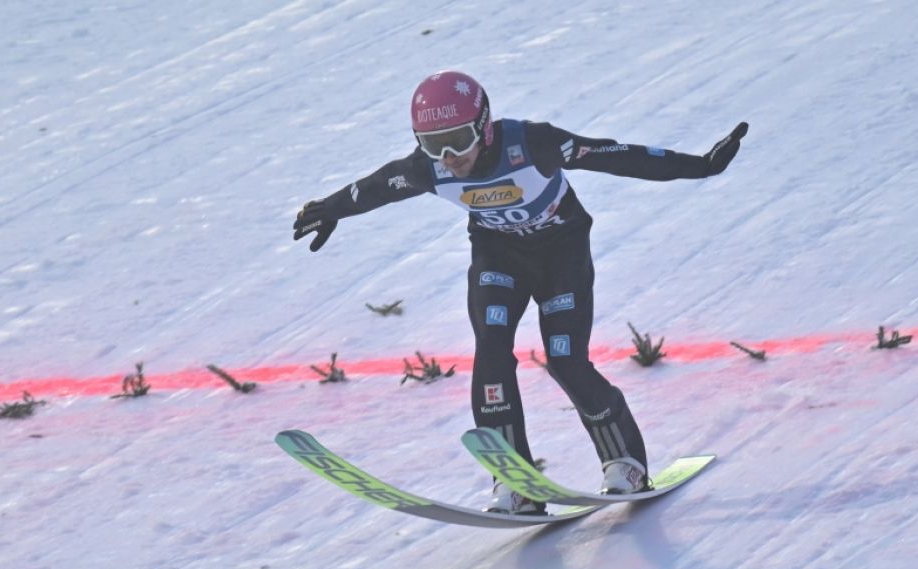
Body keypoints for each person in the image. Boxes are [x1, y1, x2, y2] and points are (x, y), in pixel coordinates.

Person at [293, 70, 748, 514]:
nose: (449, 156)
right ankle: (515, 483)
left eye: (459, 140)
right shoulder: (427, 169)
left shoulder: (533, 144)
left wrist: (701, 166)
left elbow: (617, 155)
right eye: (433, 144)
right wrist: (328, 209)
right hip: (499, 257)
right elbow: (374, 189)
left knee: (566, 360)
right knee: (491, 352)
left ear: (485, 127)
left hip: (562, 255)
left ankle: (624, 463)